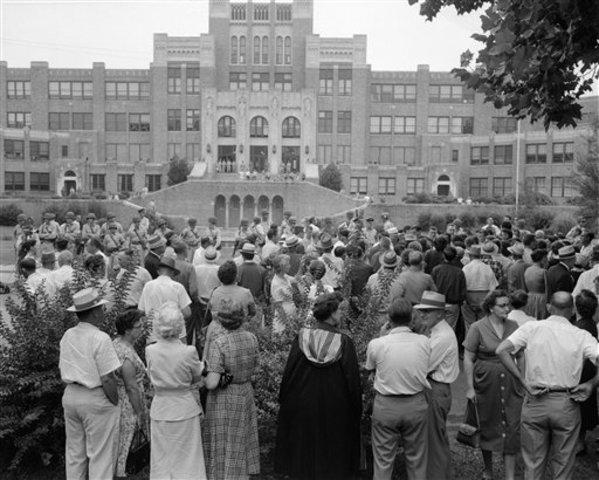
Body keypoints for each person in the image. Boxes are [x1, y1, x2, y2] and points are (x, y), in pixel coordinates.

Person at [496, 291, 599, 480]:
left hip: (535, 399)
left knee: (533, 465)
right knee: (563, 464)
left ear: (549, 307)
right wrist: (591, 384)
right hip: (566, 403)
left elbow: (502, 350)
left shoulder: (531, 328)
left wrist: (522, 381)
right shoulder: (582, 335)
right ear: (572, 310)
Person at [275, 293, 362, 480]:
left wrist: (285, 403)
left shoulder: (302, 337)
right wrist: (356, 410)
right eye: (339, 310)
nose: (341, 314)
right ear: (331, 313)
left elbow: (289, 374)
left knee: (303, 455)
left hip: (303, 408)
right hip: (335, 410)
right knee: (332, 457)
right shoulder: (344, 342)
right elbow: (353, 382)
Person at [366, 297, 430, 480]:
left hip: (386, 405)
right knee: (417, 459)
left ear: (389, 318)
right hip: (416, 404)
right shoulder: (424, 342)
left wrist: (381, 336)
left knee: (383, 460)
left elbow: (370, 368)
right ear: (411, 318)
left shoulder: (377, 344)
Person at [59, 288, 120, 480]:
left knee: (75, 453)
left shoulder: (68, 334)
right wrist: (115, 401)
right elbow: (108, 377)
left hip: (71, 394)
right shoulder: (100, 338)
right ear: (94, 312)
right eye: (101, 308)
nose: (104, 311)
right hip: (95, 396)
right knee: (100, 454)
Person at [463, 289, 523, 480]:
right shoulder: (477, 327)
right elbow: (468, 357)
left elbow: (520, 354)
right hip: (485, 383)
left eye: (508, 304)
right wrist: (470, 387)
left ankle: (510, 476)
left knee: (512, 426)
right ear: (491, 307)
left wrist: (521, 377)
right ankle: (488, 470)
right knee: (487, 424)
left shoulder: (514, 325)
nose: (507, 308)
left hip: (511, 382)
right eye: (503, 305)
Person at [145, 303, 207, 479]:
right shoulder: (188, 351)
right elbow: (196, 377)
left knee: (162, 456)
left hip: (161, 407)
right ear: (180, 325)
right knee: (188, 456)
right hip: (184, 406)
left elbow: (150, 375)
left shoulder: (150, 350)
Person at [203, 302, 261, 480]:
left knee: (225, 438)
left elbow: (212, 383)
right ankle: (242, 474)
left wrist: (201, 377)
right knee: (242, 436)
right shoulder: (252, 338)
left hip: (225, 395)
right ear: (242, 317)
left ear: (220, 321)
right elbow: (257, 369)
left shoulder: (219, 343)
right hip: (245, 390)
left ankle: (224, 474)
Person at [413, 291, 459, 480]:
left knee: (435, 441)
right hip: (436, 388)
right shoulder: (436, 331)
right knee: (434, 438)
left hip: (437, 389)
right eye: (422, 311)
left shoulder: (442, 337)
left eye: (428, 312)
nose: (423, 315)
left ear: (440, 313)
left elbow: (424, 365)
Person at [113, 309, 149, 479]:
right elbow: (131, 386)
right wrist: (140, 411)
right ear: (127, 330)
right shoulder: (126, 353)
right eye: (138, 326)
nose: (141, 328)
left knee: (123, 438)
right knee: (130, 437)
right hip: (129, 401)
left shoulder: (117, 344)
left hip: (120, 398)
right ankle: (125, 471)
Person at [138, 256, 191, 342]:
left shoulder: (148, 286)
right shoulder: (177, 287)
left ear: (158, 271)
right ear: (172, 272)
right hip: (176, 334)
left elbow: (141, 311)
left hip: (154, 333)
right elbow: (187, 313)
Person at [573, 290, 599, 454]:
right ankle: (580, 441)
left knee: (577, 405)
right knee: (586, 403)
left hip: (580, 368)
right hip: (590, 367)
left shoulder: (577, 328)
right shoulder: (592, 326)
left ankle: (578, 443)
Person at [462, 245, 499, 334]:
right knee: (483, 325)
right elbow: (493, 288)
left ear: (470, 256)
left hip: (468, 299)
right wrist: (485, 301)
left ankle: (470, 344)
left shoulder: (466, 268)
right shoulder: (487, 268)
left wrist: (467, 300)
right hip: (484, 298)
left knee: (469, 325)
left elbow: (462, 287)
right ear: (481, 256)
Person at [431, 246, 466, 331]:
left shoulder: (436, 270)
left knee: (436, 329)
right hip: (452, 304)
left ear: (444, 256)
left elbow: (431, 287)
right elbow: (463, 290)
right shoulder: (459, 272)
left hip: (438, 303)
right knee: (450, 330)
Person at [270, 254, 298, 333]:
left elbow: (296, 279)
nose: (290, 266)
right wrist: (287, 325)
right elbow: (278, 307)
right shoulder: (276, 283)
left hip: (291, 313)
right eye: (287, 264)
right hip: (283, 319)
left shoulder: (285, 277)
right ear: (281, 267)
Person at [523, 249, 549, 319]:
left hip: (529, 298)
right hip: (541, 300)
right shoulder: (543, 272)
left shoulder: (527, 270)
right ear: (542, 259)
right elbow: (547, 289)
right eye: (546, 257)